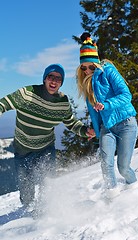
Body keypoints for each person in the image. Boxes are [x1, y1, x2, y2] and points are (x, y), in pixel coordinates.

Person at [0, 63, 95, 209]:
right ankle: (27, 217)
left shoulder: (62, 102)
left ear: (61, 82)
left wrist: (84, 131)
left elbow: (71, 123)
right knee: (26, 193)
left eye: (58, 79)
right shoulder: (27, 94)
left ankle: (45, 216)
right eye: (51, 77)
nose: (54, 81)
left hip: (46, 148)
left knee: (48, 184)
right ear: (45, 78)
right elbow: (3, 104)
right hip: (23, 150)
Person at [76, 32, 138, 199]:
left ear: (96, 63)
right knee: (106, 165)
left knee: (123, 168)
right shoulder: (87, 85)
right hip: (107, 128)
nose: (87, 70)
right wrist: (96, 130)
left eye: (91, 66)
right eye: (84, 67)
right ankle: (113, 198)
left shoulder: (109, 71)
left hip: (126, 124)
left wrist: (107, 104)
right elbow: (95, 115)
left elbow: (127, 95)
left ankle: (135, 190)